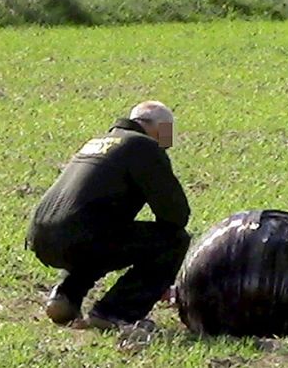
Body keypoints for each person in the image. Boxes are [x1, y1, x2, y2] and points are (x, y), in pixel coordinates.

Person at [26, 101, 191, 329]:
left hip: (41, 236)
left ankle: (65, 296)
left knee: (104, 233)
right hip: (81, 237)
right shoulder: (143, 147)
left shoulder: (97, 142)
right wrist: (158, 273)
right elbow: (176, 215)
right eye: (169, 132)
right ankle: (113, 313)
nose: (169, 140)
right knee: (173, 240)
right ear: (161, 128)